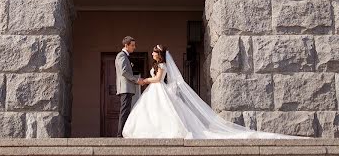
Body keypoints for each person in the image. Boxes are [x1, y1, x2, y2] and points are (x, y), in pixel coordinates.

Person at [122, 44, 292, 139]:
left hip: (157, 89)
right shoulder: (157, 64)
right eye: (152, 51)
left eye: (154, 51)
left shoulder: (162, 65)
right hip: (154, 92)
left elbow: (158, 80)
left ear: (159, 54)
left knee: (161, 111)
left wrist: (143, 81)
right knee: (152, 112)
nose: (151, 53)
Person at [114, 36, 146, 137]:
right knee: (124, 111)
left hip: (127, 89)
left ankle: (123, 133)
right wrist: (137, 80)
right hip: (125, 89)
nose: (134, 47)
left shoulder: (125, 56)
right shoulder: (121, 56)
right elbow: (124, 72)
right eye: (132, 45)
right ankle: (120, 134)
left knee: (126, 111)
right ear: (126, 45)